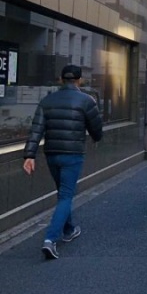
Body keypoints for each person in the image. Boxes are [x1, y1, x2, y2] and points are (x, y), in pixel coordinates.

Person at [23, 65, 103, 260]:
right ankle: (50, 240)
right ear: (79, 80)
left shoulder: (47, 101)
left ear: (61, 80)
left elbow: (36, 130)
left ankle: (69, 230)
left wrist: (29, 155)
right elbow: (97, 130)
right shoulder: (86, 101)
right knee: (66, 196)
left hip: (52, 154)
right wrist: (95, 137)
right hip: (73, 154)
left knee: (62, 194)